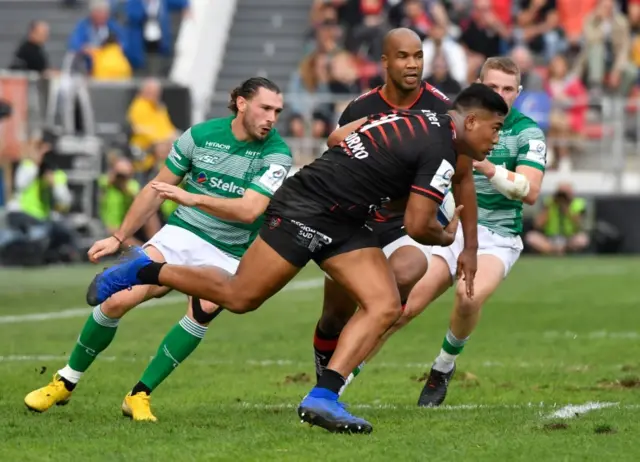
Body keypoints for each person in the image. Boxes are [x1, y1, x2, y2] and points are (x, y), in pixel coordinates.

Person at [85, 83, 508, 434]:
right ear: (470, 122)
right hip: (306, 206)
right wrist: (447, 233)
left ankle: (323, 397)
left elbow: (451, 173)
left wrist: (468, 249)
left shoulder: (434, 126)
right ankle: (145, 269)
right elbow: (419, 225)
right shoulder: (438, 145)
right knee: (240, 297)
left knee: (384, 304)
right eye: (495, 128)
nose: (497, 138)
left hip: (343, 217)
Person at [24, 77, 292, 422]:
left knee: (205, 308)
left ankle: (139, 394)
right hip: (181, 235)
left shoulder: (277, 154)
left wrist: (191, 196)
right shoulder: (199, 136)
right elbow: (156, 188)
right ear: (241, 103)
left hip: (228, 250)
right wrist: (119, 237)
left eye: (277, 111)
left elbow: (250, 210)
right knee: (118, 299)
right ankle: (65, 380)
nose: (272, 118)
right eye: (265, 108)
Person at [339, 57, 547, 407]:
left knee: (468, 298)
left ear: (519, 92)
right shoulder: (454, 122)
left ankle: (443, 367)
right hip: (449, 229)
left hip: (498, 236)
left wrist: (484, 164)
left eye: (508, 89)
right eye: (493, 86)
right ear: (477, 84)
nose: (501, 94)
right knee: (399, 310)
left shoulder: (528, 132)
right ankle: (336, 384)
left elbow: (530, 191)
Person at [311, 27, 480, 386]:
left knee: (403, 276)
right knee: (332, 317)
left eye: (418, 56)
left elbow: (462, 179)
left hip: (408, 223)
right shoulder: (360, 108)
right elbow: (337, 163)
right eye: (403, 56)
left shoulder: (442, 109)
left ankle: (333, 383)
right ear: (385, 62)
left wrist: (471, 246)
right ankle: (324, 370)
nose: (412, 64)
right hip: (358, 220)